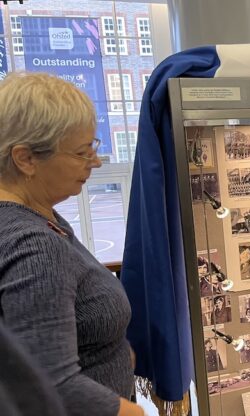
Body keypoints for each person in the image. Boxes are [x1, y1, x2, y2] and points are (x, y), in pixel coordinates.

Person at [0, 72, 143, 415]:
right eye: (82, 153)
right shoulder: (34, 243)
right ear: (26, 158)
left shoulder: (38, 216)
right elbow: (50, 384)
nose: (94, 162)